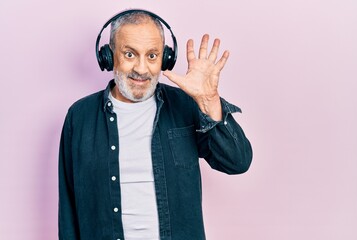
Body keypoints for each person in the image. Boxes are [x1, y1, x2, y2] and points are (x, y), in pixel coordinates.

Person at [58, 9, 252, 240]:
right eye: (130, 54)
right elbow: (68, 207)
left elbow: (237, 162)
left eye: (152, 56)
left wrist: (209, 101)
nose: (141, 69)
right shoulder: (80, 116)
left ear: (166, 59)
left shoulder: (186, 105)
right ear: (108, 56)